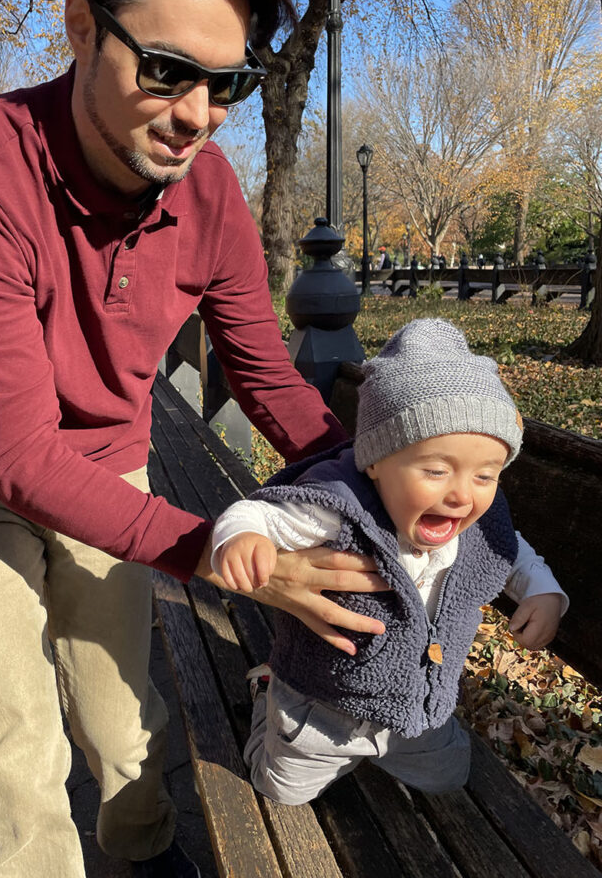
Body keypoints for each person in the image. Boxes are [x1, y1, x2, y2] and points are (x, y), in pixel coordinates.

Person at [0, 0, 387, 877]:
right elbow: (13, 453)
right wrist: (229, 554)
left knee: (123, 720)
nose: (198, 114)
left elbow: (268, 379)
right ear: (78, 22)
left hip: (110, 457)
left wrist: (382, 488)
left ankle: (144, 855)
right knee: (11, 740)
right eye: (165, 69)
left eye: (228, 82)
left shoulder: (212, 195)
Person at [211, 318, 567, 805]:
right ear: (376, 460)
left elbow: (513, 550)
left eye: (486, 476)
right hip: (321, 706)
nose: (462, 494)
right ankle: (266, 700)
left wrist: (543, 590)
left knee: (450, 776)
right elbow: (257, 512)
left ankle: (396, 749)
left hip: (414, 707)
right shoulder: (338, 508)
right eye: (437, 470)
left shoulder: (480, 523)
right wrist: (243, 537)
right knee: (278, 790)